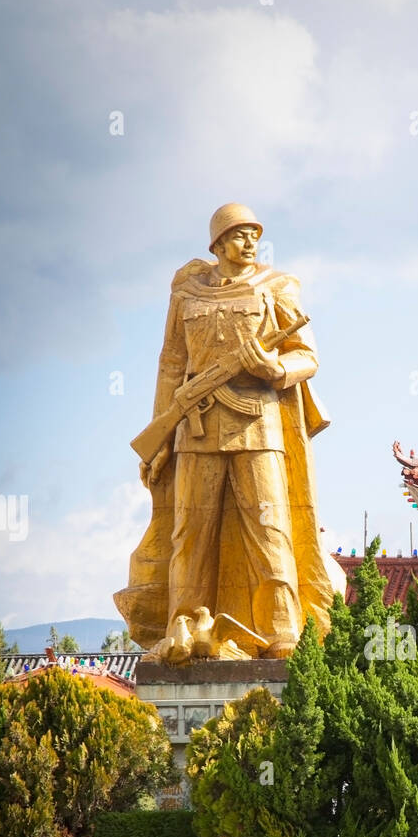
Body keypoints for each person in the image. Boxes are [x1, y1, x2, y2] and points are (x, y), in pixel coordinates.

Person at [114, 202, 344, 662]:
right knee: (190, 534)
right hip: (195, 430)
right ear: (217, 243)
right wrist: (158, 443)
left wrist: (275, 369)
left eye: (255, 234)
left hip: (259, 427)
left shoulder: (276, 288)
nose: (250, 242)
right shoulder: (186, 297)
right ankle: (183, 627)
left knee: (269, 526)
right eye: (240, 235)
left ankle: (282, 631)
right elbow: (171, 366)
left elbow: (308, 357)